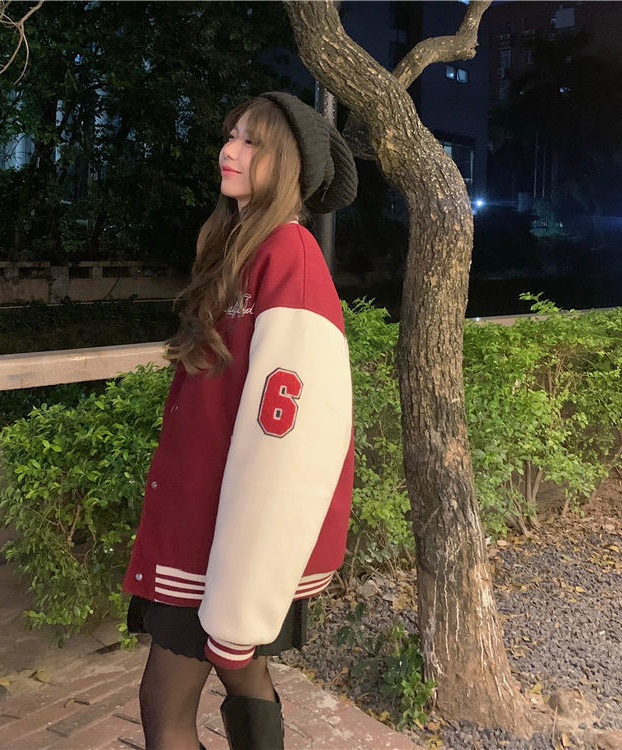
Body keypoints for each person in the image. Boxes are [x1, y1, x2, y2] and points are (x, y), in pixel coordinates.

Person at [123, 91, 358, 750]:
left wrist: (245, 588)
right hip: (212, 527)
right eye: (231, 135)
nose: (229, 150)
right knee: (238, 669)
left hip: (228, 540)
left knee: (164, 710)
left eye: (252, 141)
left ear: (287, 164)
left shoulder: (291, 257)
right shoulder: (242, 248)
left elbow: (289, 441)